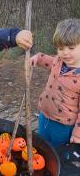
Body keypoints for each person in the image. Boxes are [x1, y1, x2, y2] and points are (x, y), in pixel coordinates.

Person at [31, 18, 80, 148]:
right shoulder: (59, 61)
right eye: (60, 48)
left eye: (71, 48)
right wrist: (38, 58)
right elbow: (50, 61)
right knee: (42, 146)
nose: (65, 53)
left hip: (63, 125)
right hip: (44, 115)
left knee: (57, 154)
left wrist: (77, 134)